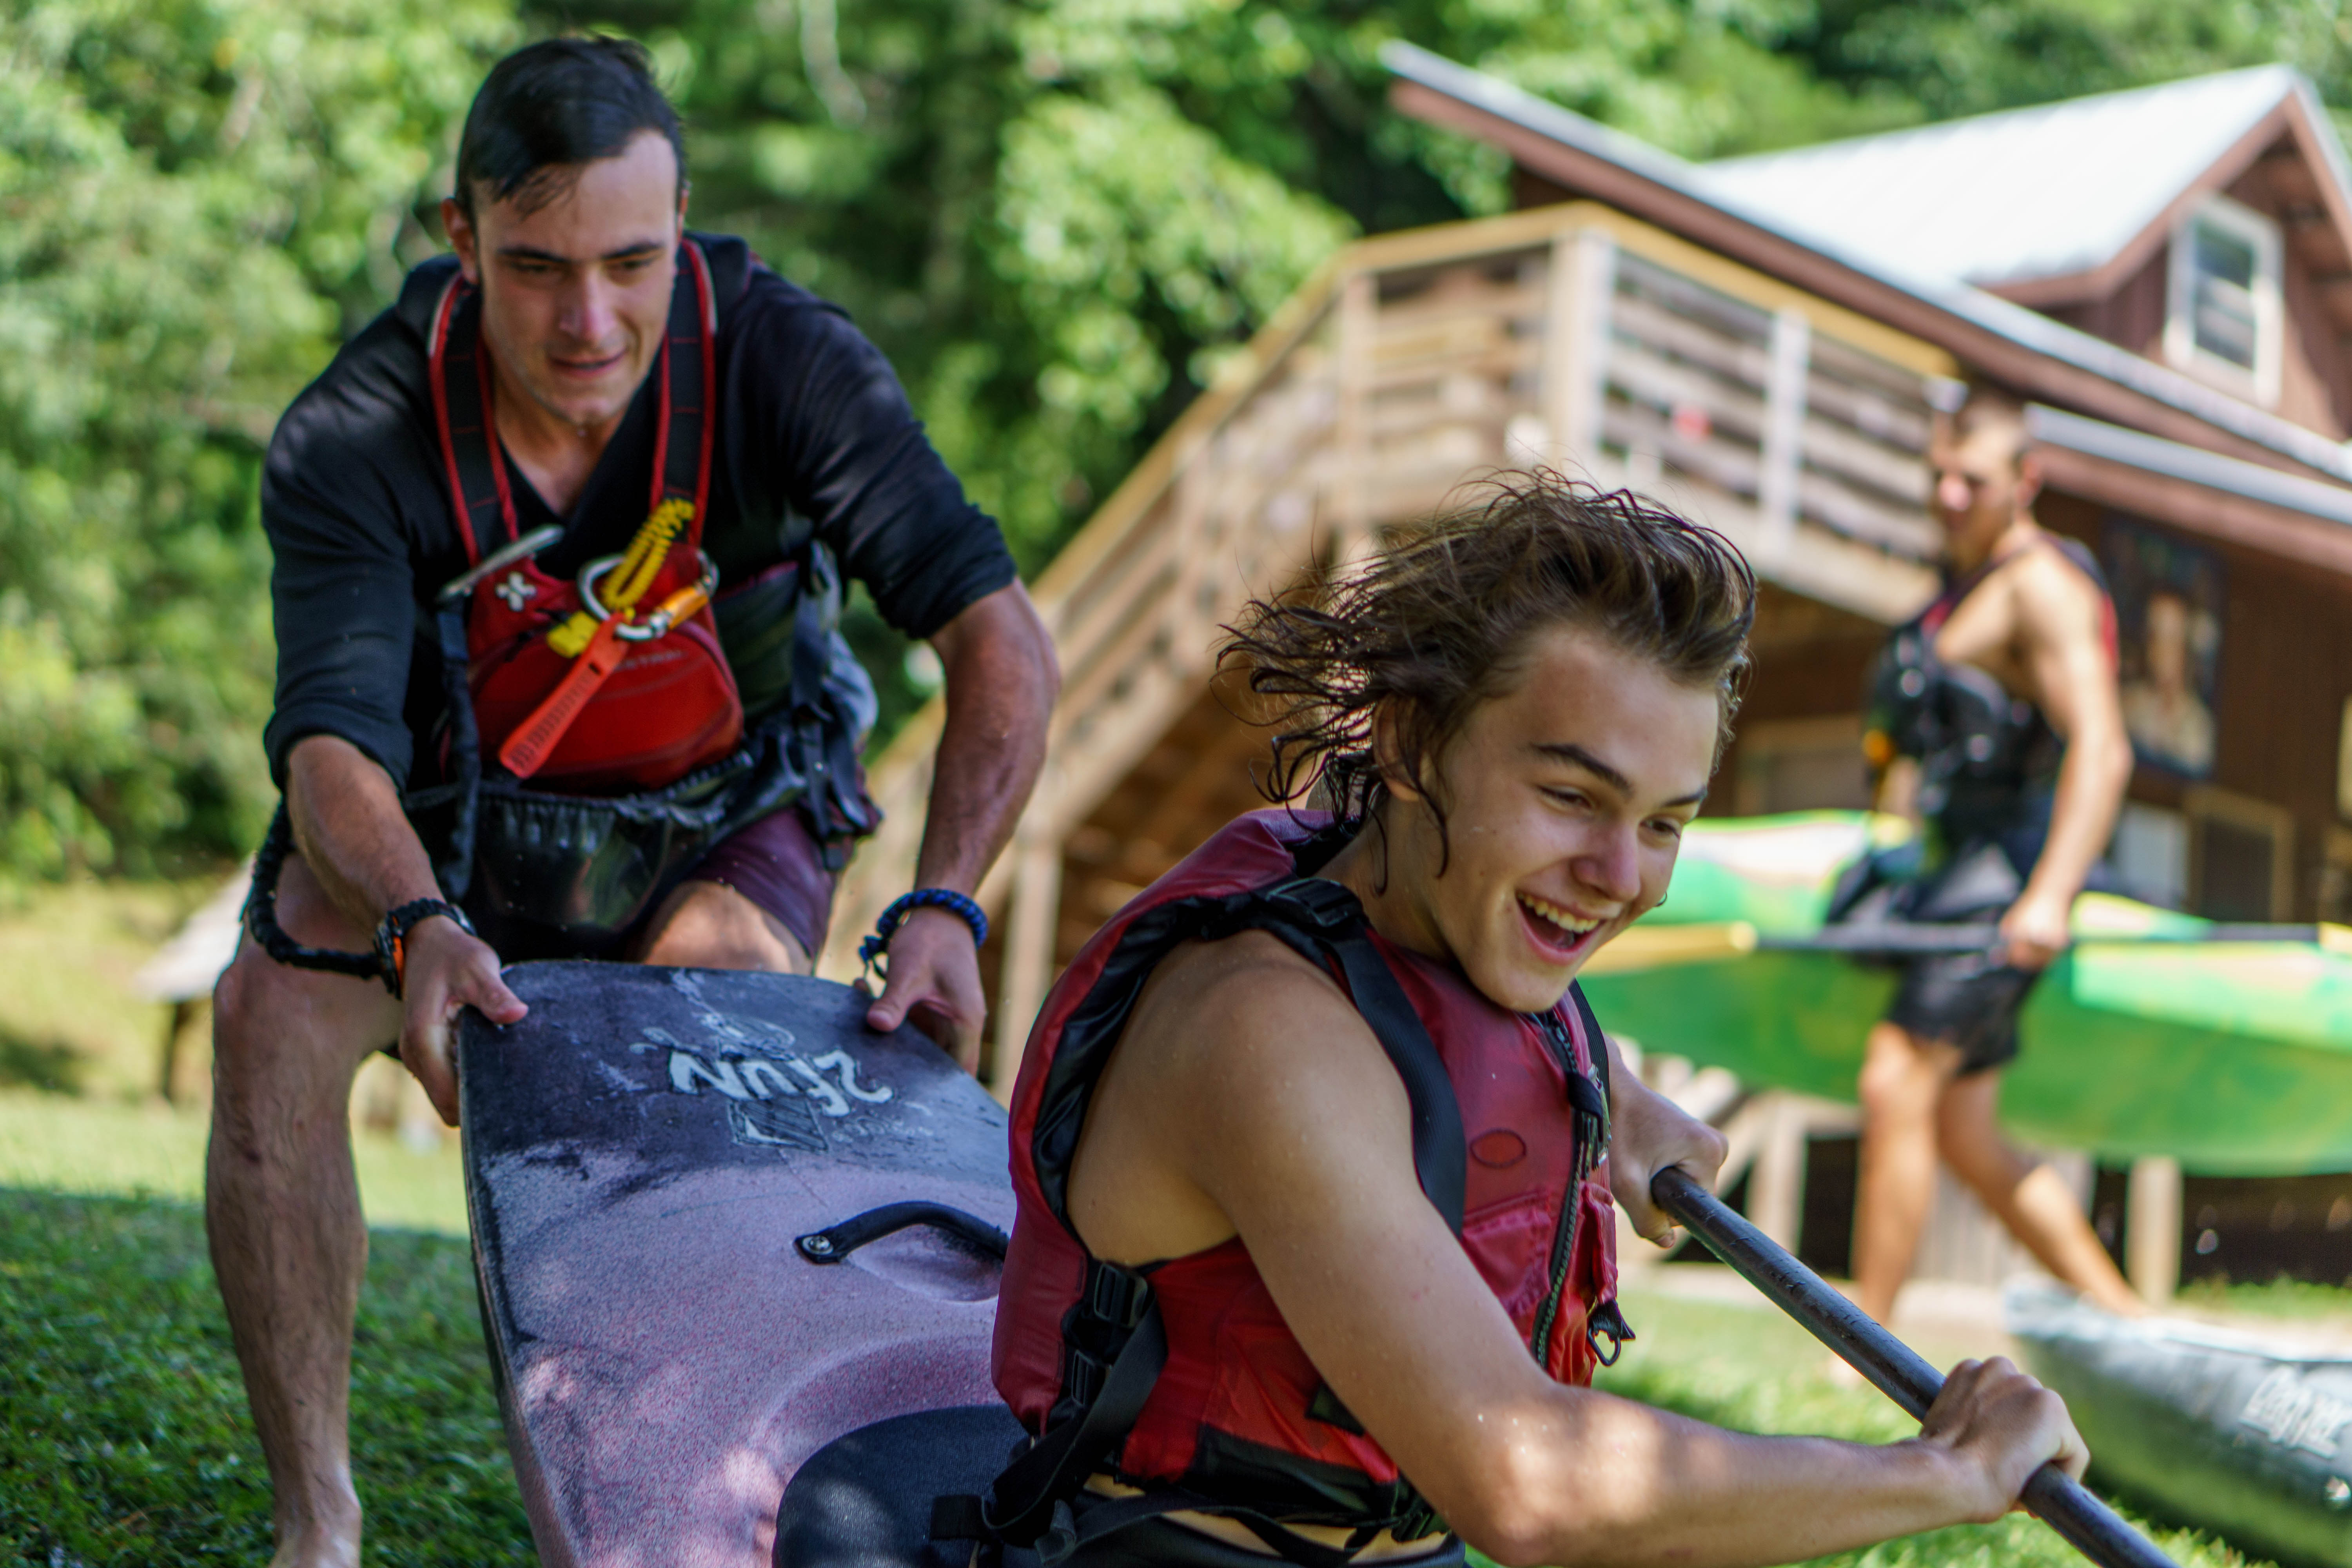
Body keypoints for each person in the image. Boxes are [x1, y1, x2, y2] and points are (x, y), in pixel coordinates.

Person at [797, 476, 2085, 1568]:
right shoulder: (1262, 1032)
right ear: (1413, 744)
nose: (1620, 875)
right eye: (1572, 796)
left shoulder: (1421, 892)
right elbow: (1526, 1484)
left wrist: (1617, 1105)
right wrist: (1947, 1471)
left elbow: (1491, 1024)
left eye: (1664, 823)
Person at [207, 37, 1058, 1568]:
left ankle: (681, 1516)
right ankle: (316, 1525)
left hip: (722, 809)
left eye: (631, 263)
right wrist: (413, 922)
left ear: (682, 226)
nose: (589, 321)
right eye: (538, 268)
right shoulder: (359, 428)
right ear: (462, 239)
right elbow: (330, 746)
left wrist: (944, 902)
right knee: (264, 1016)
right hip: (446, 819)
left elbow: (998, 641)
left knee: (705, 1034)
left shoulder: (789, 361)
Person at [1847, 390, 2143, 1327]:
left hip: (2007, 878)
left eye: (1971, 479)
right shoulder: (1958, 588)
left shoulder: (2041, 586)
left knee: (1895, 1077)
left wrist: (2049, 896)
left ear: (2025, 481)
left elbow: (2103, 745)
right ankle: (2131, 1323)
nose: (1948, 494)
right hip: (1955, 868)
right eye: (1938, 474)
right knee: (1967, 1130)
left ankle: (1859, 1348)